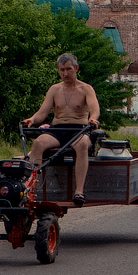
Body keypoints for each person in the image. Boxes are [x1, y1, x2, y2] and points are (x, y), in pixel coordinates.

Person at [23, 53, 101, 206]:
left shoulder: (86, 89)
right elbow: (42, 113)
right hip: (57, 129)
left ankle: (79, 191)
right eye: (62, 70)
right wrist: (32, 119)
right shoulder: (54, 89)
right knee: (38, 143)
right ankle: (31, 189)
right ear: (58, 70)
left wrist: (93, 118)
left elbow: (94, 108)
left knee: (83, 145)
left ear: (76, 68)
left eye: (69, 69)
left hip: (79, 129)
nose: (65, 73)